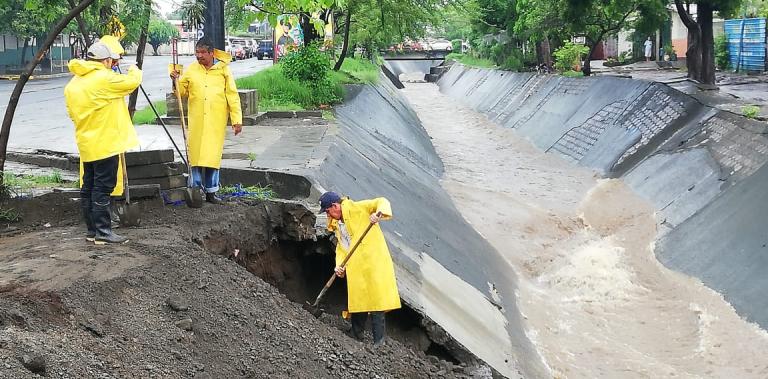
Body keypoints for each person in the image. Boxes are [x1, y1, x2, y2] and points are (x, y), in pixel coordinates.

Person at [64, 42, 142, 244]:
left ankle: (92, 230)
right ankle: (103, 232)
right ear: (106, 61)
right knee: (103, 187)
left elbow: (72, 114)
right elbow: (131, 83)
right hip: (106, 142)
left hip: (86, 142)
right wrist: (134, 68)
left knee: (88, 186)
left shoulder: (73, 83)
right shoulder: (105, 78)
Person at [319, 191, 401, 346]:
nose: (328, 215)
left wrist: (378, 214)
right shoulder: (338, 224)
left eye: (328, 211)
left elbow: (382, 199)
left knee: (377, 301)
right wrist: (339, 265)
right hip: (356, 266)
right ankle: (356, 335)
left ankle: (379, 342)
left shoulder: (359, 208)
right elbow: (342, 247)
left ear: (335, 206)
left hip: (373, 263)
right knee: (358, 300)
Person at [171, 38, 243, 204]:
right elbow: (180, 92)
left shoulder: (223, 70)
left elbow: (232, 95)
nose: (199, 56)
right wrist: (174, 80)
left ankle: (211, 192)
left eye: (203, 52)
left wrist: (236, 119)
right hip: (196, 120)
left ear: (211, 53)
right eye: (197, 52)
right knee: (195, 156)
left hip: (215, 120)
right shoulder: (192, 69)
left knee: (212, 156)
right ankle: (195, 192)